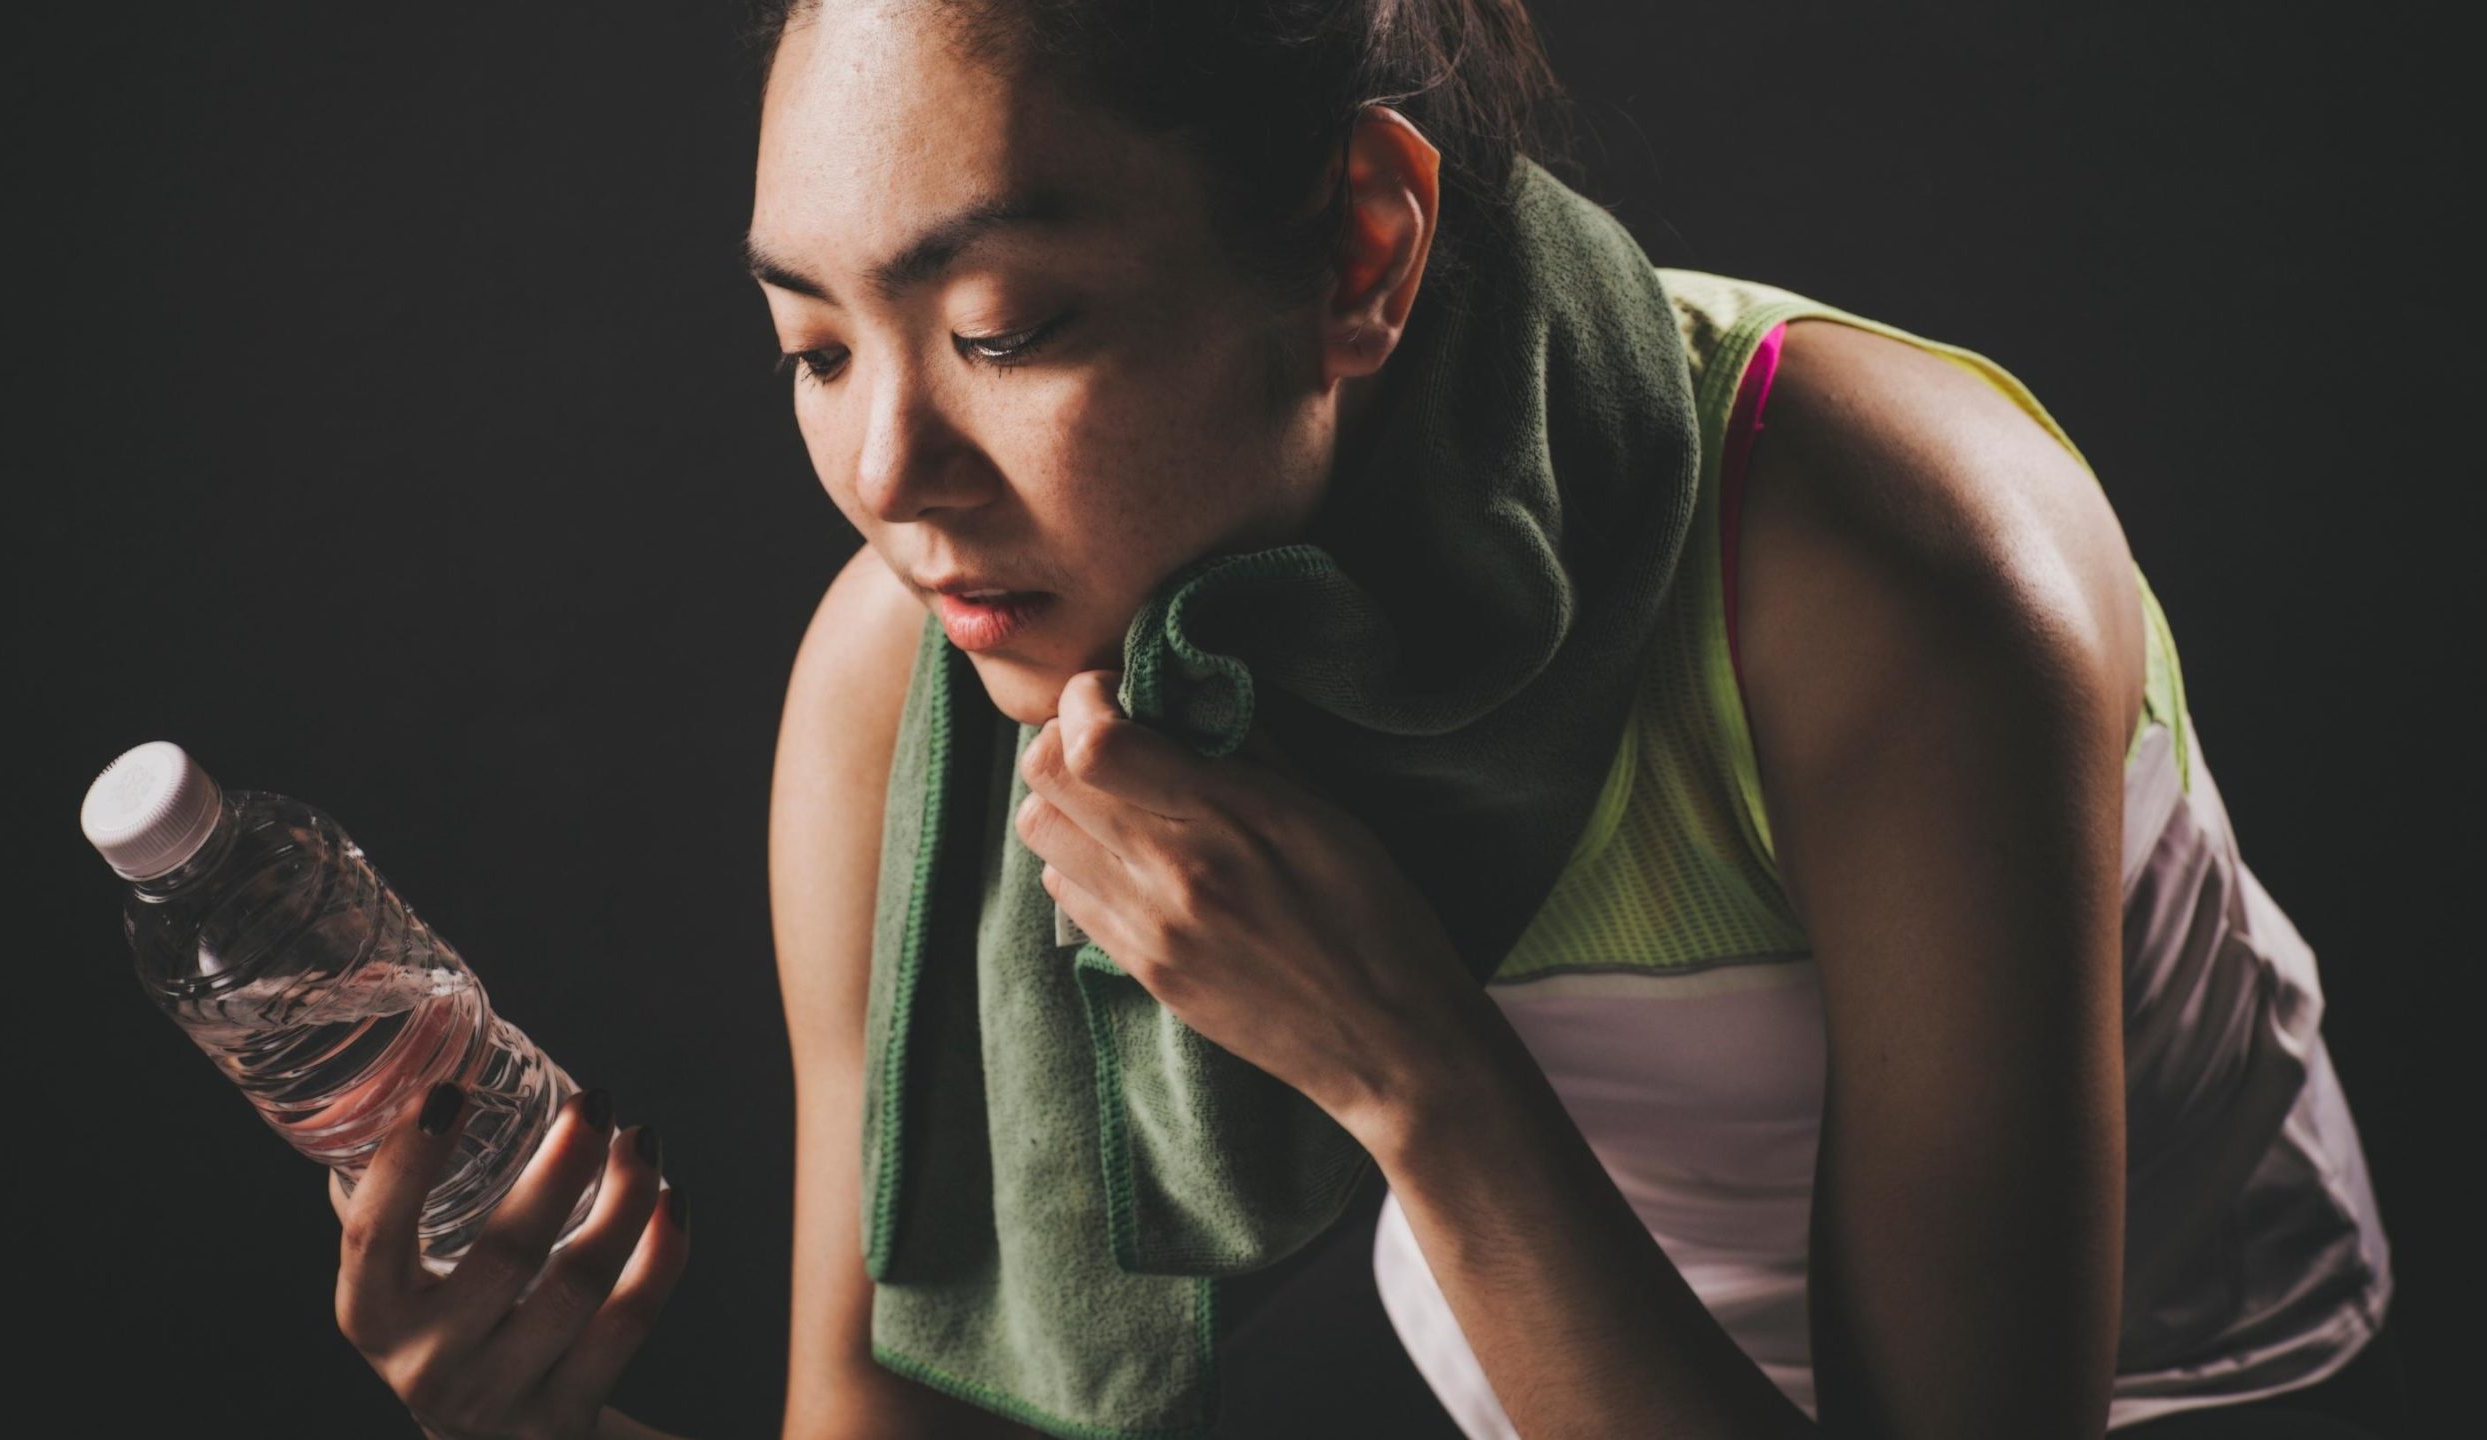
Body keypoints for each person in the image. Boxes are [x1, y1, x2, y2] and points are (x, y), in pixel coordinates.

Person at [323, 2, 2402, 1436]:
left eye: (1000, 329)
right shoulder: (906, 688)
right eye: (808, 347)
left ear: (1355, 244)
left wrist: (1409, 1061)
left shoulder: (1882, 564)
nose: (890, 470)